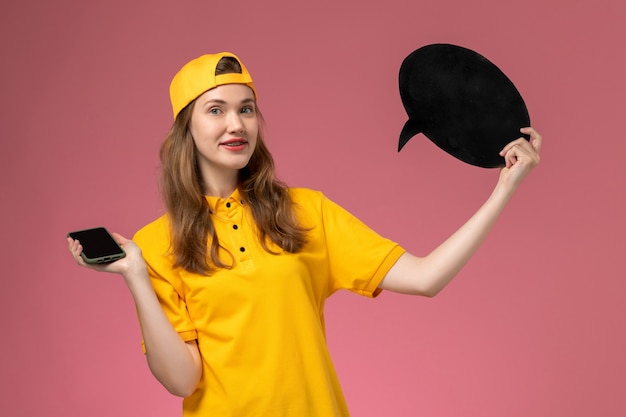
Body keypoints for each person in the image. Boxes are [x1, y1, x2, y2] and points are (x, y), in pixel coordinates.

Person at [67, 52, 542, 416]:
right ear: (185, 128)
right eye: (215, 110)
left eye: (246, 109)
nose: (236, 124)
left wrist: (505, 188)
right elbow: (181, 381)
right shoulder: (154, 244)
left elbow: (425, 278)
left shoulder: (305, 212)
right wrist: (134, 275)